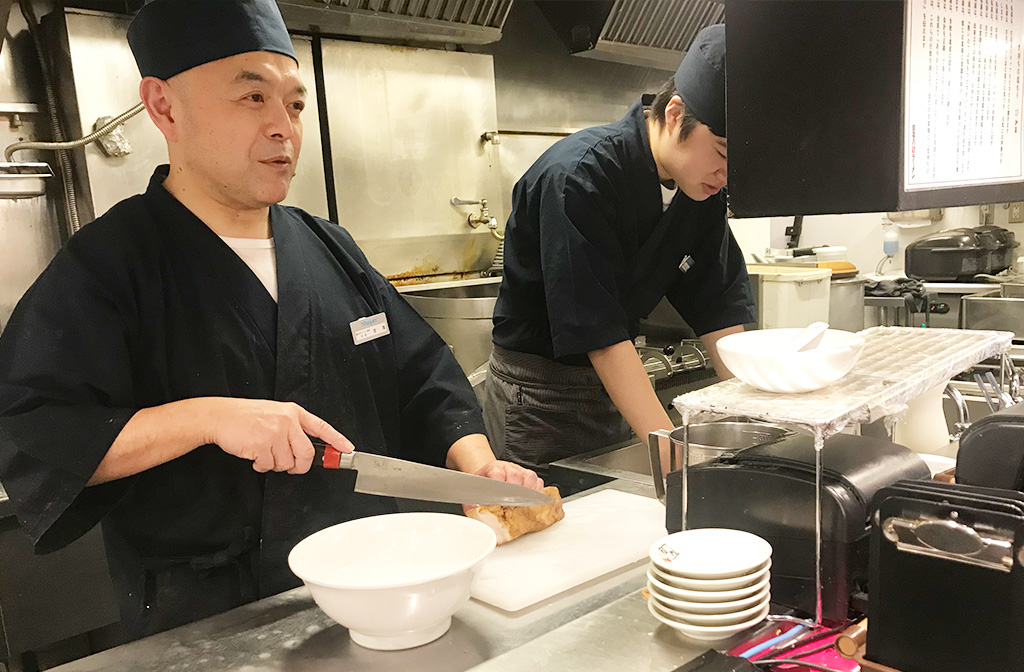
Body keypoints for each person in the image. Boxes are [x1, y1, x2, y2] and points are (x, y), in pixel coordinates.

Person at [0, 0, 540, 641]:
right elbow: (35, 432)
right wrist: (205, 417)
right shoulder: (108, 265)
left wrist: (476, 467)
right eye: (252, 99)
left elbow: (422, 376)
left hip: (373, 589)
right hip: (213, 622)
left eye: (294, 104)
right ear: (164, 106)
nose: (283, 128)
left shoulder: (328, 246)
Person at [483, 24, 756, 477]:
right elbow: (600, 334)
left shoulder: (699, 190)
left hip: (614, 387)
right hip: (539, 399)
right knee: (554, 535)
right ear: (674, 114)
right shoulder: (580, 177)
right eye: (723, 152)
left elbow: (720, 306)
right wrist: (670, 453)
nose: (726, 174)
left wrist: (754, 417)